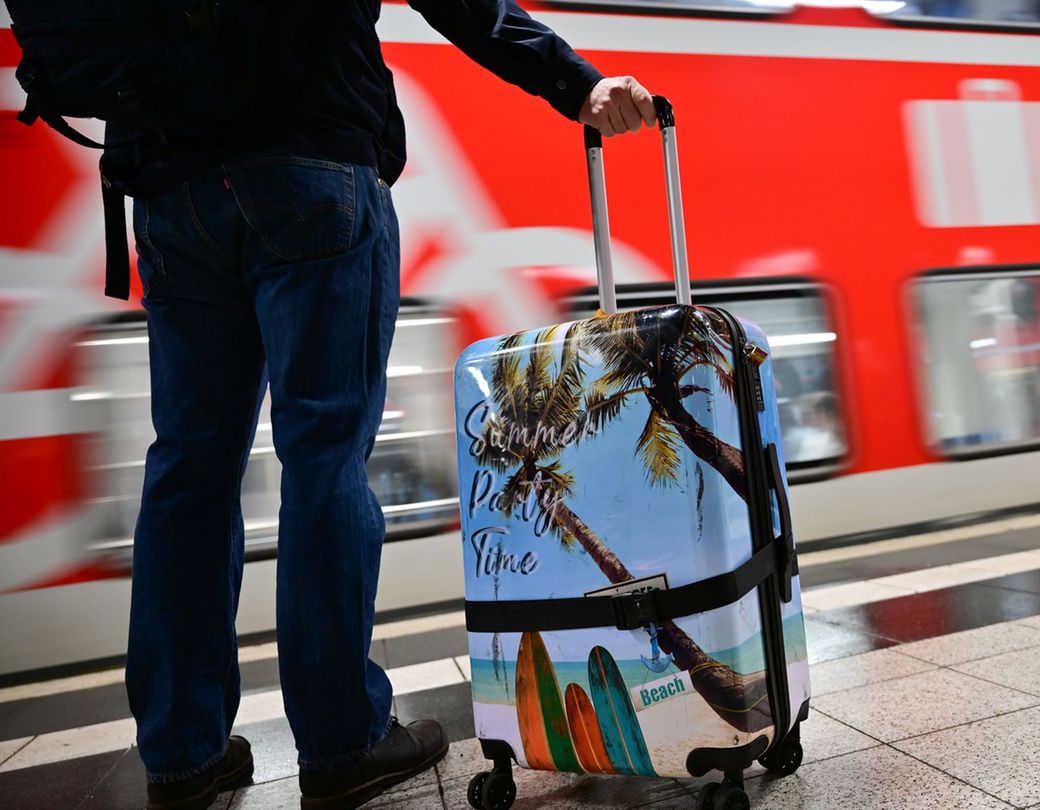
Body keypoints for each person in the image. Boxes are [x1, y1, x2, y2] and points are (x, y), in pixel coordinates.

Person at [112, 2, 656, 809]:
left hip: (166, 187)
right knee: (323, 455)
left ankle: (181, 756)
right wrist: (573, 82)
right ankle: (341, 742)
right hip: (311, 162)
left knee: (188, 464)